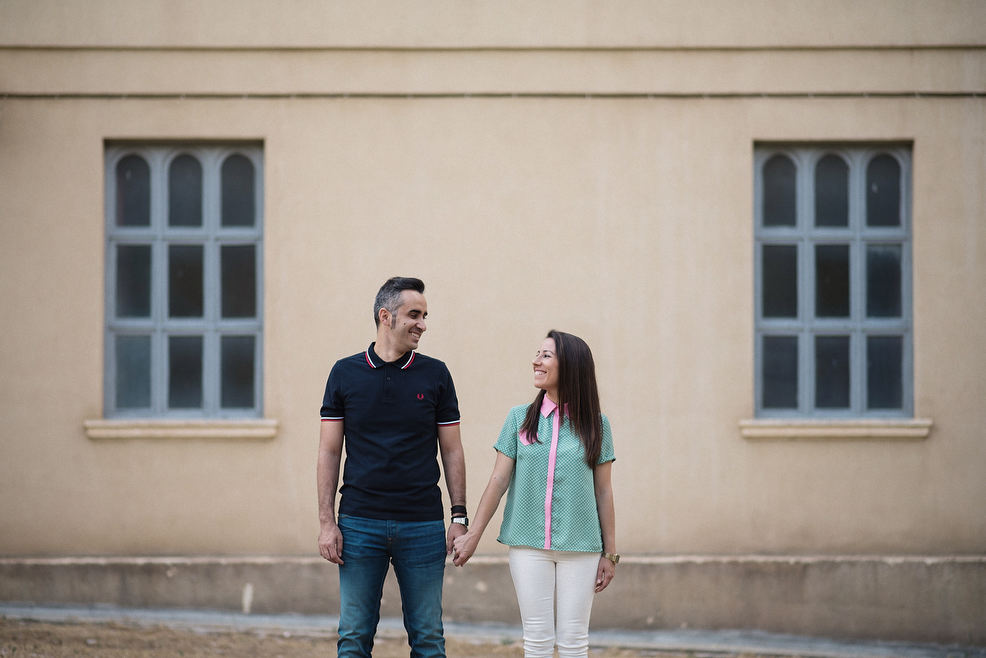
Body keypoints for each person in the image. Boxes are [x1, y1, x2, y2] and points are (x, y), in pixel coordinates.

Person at [317, 276, 468, 658]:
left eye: (425, 315)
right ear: (386, 317)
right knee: (353, 638)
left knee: (429, 640)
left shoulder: (435, 374)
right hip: (358, 523)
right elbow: (329, 452)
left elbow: (452, 451)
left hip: (422, 525)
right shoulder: (344, 373)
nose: (423, 324)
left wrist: (459, 517)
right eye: (414, 314)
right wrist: (326, 522)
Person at [452, 329, 617, 658]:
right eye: (537, 354)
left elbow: (603, 490)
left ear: (569, 366)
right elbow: (498, 480)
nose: (535, 361)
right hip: (528, 546)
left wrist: (609, 554)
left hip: (581, 547)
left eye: (545, 355)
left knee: (573, 643)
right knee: (538, 642)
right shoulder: (518, 419)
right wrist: (472, 535)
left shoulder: (597, 425)